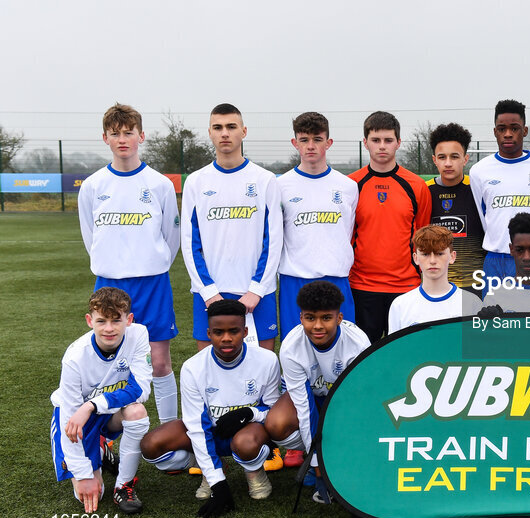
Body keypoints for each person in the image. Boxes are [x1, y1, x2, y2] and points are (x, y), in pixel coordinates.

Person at [77, 103, 180, 424]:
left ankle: (169, 436)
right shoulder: (93, 186)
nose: (122, 139)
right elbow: (89, 237)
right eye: (115, 133)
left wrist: (152, 261)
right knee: (109, 365)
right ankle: (108, 434)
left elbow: (171, 239)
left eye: (129, 133)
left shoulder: (160, 184)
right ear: (105, 138)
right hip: (109, 286)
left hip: (152, 284)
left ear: (141, 136)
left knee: (160, 362)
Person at [140, 300, 281, 518]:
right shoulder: (192, 367)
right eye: (218, 332)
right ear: (209, 333)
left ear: (244, 332)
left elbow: (273, 411)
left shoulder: (267, 360)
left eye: (233, 331)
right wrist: (218, 484)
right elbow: (196, 427)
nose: (226, 338)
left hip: (248, 433)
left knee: (245, 443)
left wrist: (250, 413)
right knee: (151, 446)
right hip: (209, 433)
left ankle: (254, 471)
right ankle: (212, 469)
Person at [181, 103, 283, 352]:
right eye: (218, 127)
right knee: (210, 370)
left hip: (257, 294)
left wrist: (256, 290)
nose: (224, 133)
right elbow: (189, 242)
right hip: (210, 293)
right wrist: (208, 292)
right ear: (210, 133)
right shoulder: (196, 182)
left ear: (243, 131)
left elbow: (273, 241)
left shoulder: (265, 180)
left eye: (231, 126)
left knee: (263, 370)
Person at [265, 281, 371, 503]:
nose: (318, 326)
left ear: (339, 318)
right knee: (276, 424)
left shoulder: (357, 343)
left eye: (326, 318)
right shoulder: (291, 347)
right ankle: (315, 462)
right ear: (301, 317)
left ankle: (342, 462)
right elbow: (304, 408)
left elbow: (357, 405)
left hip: (344, 403)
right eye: (310, 318)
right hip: (312, 399)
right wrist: (316, 461)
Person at [51, 287, 152, 514]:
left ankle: (123, 485)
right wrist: (84, 474)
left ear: (129, 320)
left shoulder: (139, 334)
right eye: (101, 321)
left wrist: (93, 404)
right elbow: (70, 418)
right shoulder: (75, 357)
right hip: (77, 416)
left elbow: (141, 389)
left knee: (137, 413)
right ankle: (99, 448)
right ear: (89, 321)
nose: (109, 328)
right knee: (89, 493)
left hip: (101, 411)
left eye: (116, 320)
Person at [348, 111, 431, 340]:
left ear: (398, 143)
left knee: (406, 357)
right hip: (362, 287)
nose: (382, 146)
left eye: (388, 140)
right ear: (365, 143)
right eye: (375, 140)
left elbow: (421, 237)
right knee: (364, 358)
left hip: (406, 286)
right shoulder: (351, 185)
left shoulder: (416, 186)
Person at [277, 111, 358, 338]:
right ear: (295, 143)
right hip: (295, 280)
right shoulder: (280, 186)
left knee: (343, 351)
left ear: (328, 143)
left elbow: (346, 232)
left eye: (317, 139)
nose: (310, 146)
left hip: (336, 279)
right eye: (304, 140)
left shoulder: (348, 186)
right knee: (295, 350)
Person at [470, 99, 530, 282]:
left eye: (514, 128)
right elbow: (484, 217)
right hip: (496, 258)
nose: (508, 134)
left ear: (524, 131)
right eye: (502, 129)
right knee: (493, 311)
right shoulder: (478, 171)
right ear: (495, 132)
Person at [388, 225, 483, 334]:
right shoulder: (400, 305)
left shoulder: (471, 302)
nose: (432, 260)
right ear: (415, 258)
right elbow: (395, 350)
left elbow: (478, 348)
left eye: (439, 253)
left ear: (452, 256)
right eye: (425, 254)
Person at [427, 123, 485, 295]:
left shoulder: (477, 189)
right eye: (442, 157)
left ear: (465, 159)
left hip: (474, 283)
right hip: (437, 284)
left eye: (454, 157)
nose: (448, 163)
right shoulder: (424, 191)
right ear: (434, 160)